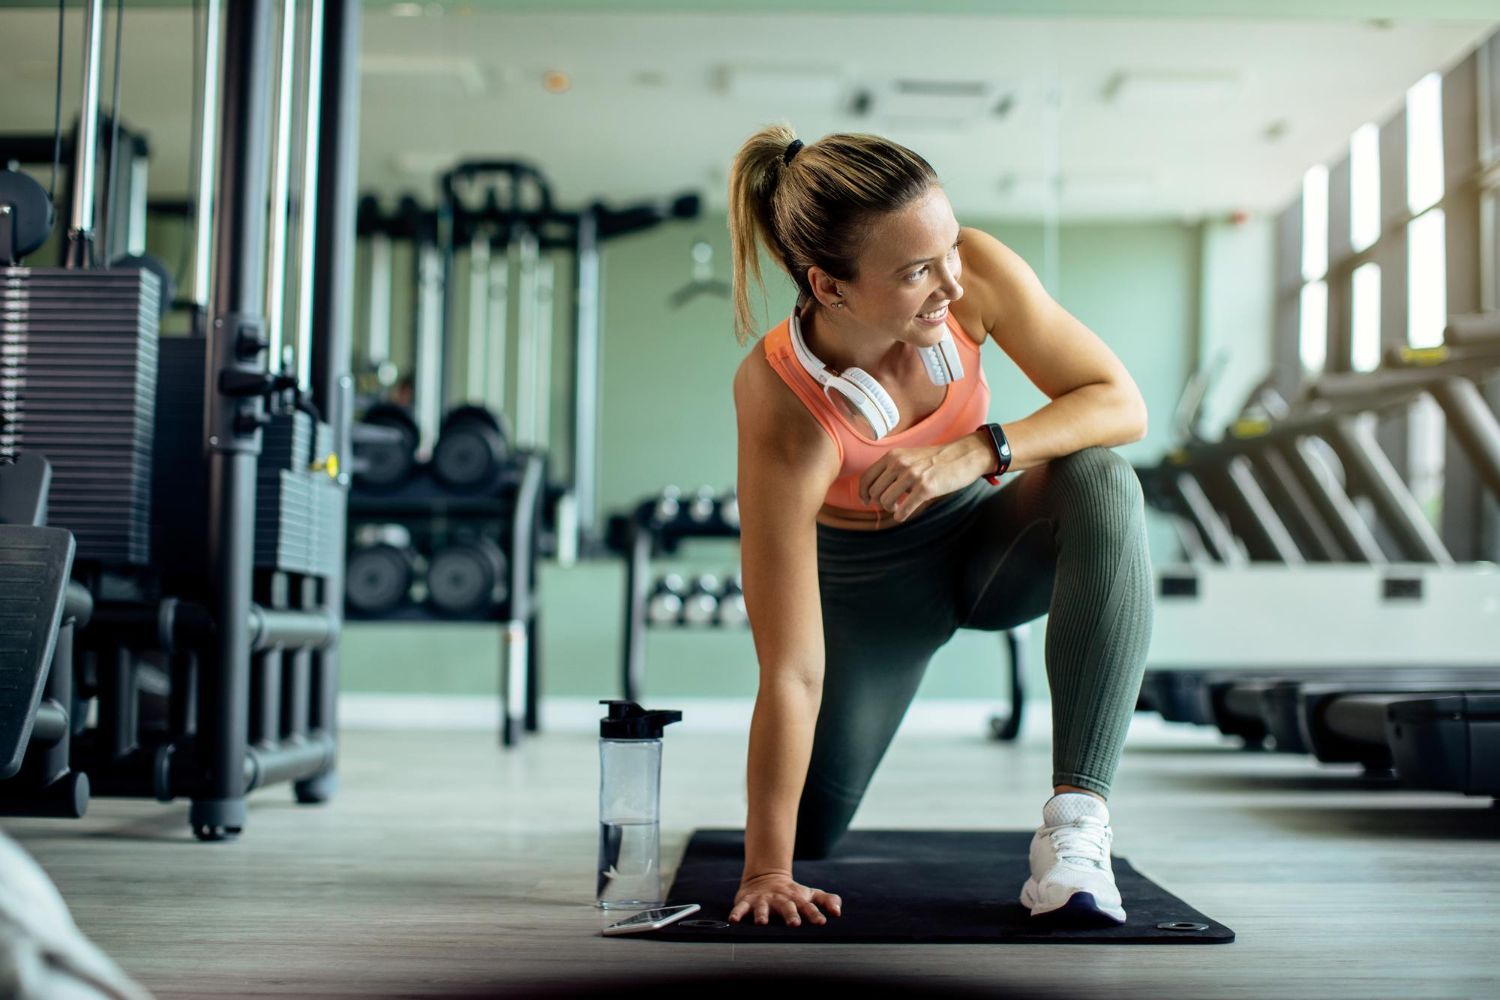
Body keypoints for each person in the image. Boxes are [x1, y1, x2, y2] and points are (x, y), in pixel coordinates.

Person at [724, 126, 1154, 930]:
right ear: (831, 287)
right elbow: (790, 670)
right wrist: (768, 870)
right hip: (869, 600)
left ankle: (1075, 832)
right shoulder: (784, 405)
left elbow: (1120, 404)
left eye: (950, 246)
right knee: (811, 832)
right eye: (917, 270)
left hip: (986, 548)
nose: (952, 282)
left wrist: (978, 450)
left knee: (1100, 476)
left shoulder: (975, 275)